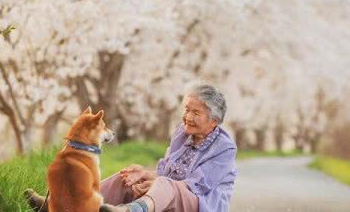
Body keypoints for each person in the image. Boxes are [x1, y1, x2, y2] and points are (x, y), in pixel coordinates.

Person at [26, 83, 238, 212]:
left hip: (200, 205)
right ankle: (58, 205)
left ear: (214, 121)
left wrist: (154, 183)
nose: (188, 117)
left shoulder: (225, 148)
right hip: (168, 192)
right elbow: (166, 171)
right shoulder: (182, 133)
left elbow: (196, 185)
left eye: (196, 113)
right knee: (126, 176)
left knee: (165, 184)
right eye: (186, 109)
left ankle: (132, 210)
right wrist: (144, 175)